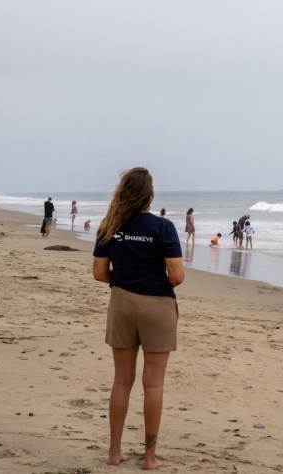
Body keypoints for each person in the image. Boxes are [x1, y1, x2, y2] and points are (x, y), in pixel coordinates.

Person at [91, 167, 184, 470]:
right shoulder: (163, 227)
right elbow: (177, 275)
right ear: (150, 194)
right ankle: (149, 457)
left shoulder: (109, 225)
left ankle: (114, 452)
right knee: (153, 384)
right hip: (156, 304)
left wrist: (128, 280)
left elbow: (100, 273)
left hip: (121, 302)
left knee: (121, 380)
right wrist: (153, 282)